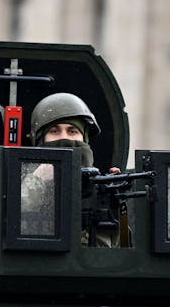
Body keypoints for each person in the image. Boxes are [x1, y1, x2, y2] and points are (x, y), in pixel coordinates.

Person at [22, 93, 120, 246]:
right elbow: (11, 218)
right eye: (55, 131)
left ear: (84, 139)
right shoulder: (20, 181)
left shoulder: (100, 187)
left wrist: (114, 205)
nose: (65, 138)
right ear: (41, 139)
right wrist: (37, 181)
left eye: (72, 131)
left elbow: (118, 252)